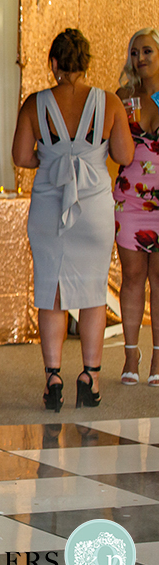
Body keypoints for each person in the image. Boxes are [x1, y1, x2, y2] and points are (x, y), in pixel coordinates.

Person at [12, 28, 133, 411]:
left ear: (53, 63)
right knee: (94, 292)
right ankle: (90, 375)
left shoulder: (36, 103)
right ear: (86, 63)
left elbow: (20, 157)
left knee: (52, 292)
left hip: (50, 204)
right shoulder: (108, 102)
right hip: (94, 206)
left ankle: (53, 377)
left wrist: (52, 163)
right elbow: (125, 155)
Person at [114, 28, 159, 387]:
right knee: (132, 279)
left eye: (147, 51)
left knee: (158, 281)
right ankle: (131, 353)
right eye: (134, 53)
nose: (140, 58)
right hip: (129, 201)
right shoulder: (122, 97)